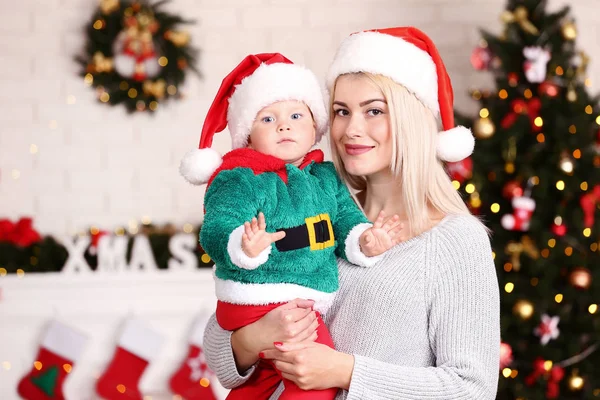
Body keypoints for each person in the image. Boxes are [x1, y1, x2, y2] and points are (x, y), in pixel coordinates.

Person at [201, 27, 501, 399]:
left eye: (373, 110)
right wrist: (253, 339)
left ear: (411, 119)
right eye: (341, 111)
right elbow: (219, 343)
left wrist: (345, 372)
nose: (351, 129)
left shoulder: (453, 240)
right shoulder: (319, 208)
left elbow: (472, 389)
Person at [180, 53, 404, 400]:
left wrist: (364, 239)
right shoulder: (241, 176)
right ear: (248, 136)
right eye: (268, 118)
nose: (284, 126)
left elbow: (346, 218)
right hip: (259, 298)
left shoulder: (325, 178)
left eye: (296, 115)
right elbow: (216, 225)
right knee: (314, 378)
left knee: (268, 381)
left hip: (294, 304)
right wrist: (242, 244)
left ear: (314, 126)